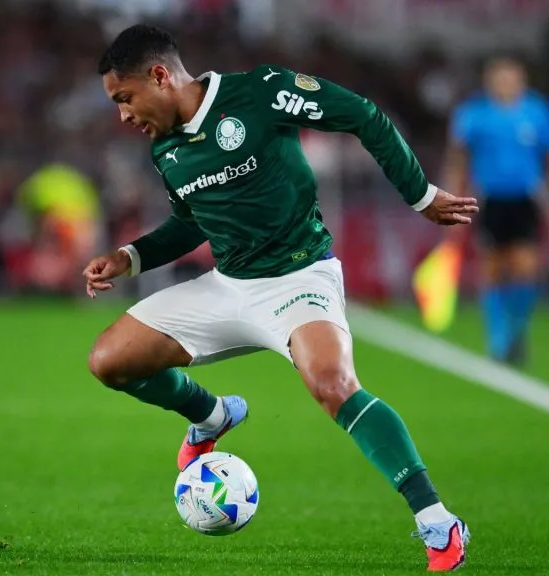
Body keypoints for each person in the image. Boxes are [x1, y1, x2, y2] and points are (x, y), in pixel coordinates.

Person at [83, 25, 476, 572]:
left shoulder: (261, 92)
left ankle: (436, 519)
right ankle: (211, 415)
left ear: (159, 75)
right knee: (108, 360)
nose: (123, 115)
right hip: (229, 287)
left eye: (124, 98)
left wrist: (421, 194)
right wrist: (129, 257)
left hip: (298, 279)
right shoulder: (165, 147)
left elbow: (362, 115)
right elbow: (190, 222)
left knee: (333, 384)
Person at [444, 55, 549, 365]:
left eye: (511, 77)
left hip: (525, 199)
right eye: (500, 78)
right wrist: (452, 198)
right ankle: (498, 337)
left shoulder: (537, 112)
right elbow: (458, 159)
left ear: (521, 80)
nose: (505, 84)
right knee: (492, 266)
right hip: (488, 199)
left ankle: (517, 331)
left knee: (526, 266)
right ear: (490, 82)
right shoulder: (474, 115)